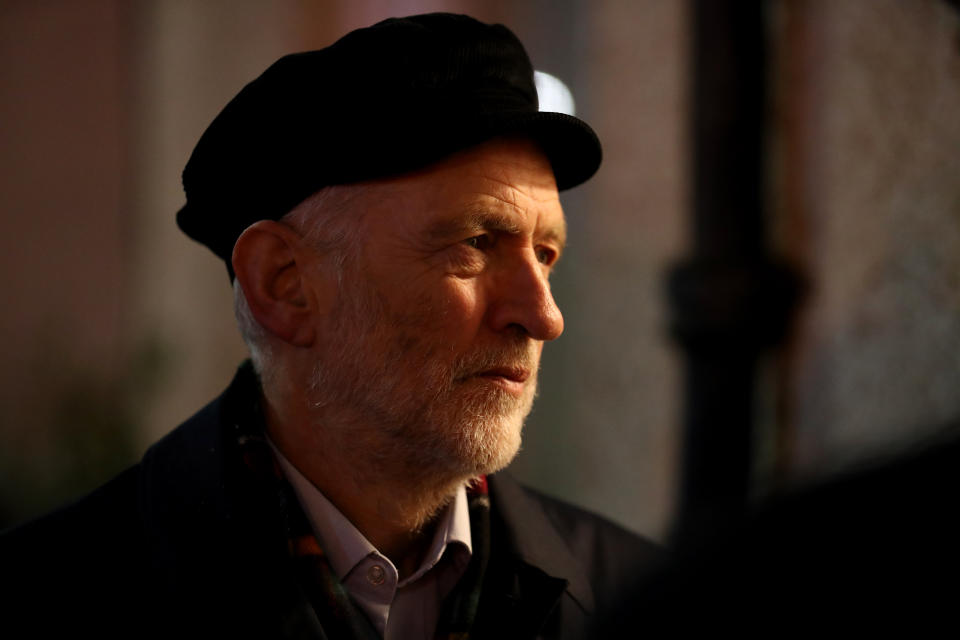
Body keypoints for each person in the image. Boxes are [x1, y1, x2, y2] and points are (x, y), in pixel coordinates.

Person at [1, 13, 661, 639]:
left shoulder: (635, 596)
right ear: (284, 285)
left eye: (546, 255)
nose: (544, 316)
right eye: (476, 242)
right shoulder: (54, 594)